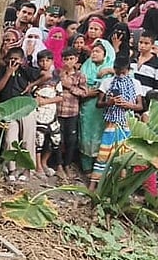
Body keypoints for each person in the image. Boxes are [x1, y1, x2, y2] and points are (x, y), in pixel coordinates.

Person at [0, 46, 47, 182]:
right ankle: (11, 169)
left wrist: (32, 85)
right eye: (11, 59)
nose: (13, 62)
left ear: (22, 60)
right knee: (10, 139)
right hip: (9, 109)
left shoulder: (25, 70)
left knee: (27, 139)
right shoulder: (3, 70)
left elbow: (47, 75)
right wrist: (8, 72)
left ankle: (27, 170)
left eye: (16, 60)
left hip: (25, 107)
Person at [91, 54, 141, 190]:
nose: (120, 75)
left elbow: (140, 106)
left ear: (129, 70)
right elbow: (98, 104)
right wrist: (110, 102)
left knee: (123, 155)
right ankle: (94, 184)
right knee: (104, 153)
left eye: (123, 72)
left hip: (126, 123)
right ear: (114, 69)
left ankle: (118, 186)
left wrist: (127, 105)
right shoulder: (107, 82)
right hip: (110, 124)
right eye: (118, 72)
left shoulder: (135, 83)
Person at [79, 39, 116, 173]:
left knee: (102, 135)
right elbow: (80, 84)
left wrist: (110, 71)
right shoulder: (86, 66)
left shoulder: (112, 67)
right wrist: (88, 92)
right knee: (86, 134)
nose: (94, 54)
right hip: (88, 107)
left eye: (98, 51)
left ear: (106, 54)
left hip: (104, 109)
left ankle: (100, 169)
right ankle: (86, 168)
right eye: (93, 51)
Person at [56, 49, 88, 178]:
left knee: (71, 139)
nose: (68, 62)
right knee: (57, 138)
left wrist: (70, 87)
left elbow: (84, 93)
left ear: (76, 60)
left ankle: (67, 164)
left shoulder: (80, 76)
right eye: (66, 59)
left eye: (71, 59)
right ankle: (58, 165)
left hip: (72, 111)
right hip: (58, 110)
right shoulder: (57, 73)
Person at [33, 50, 62, 178]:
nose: (44, 63)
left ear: (52, 61)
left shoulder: (56, 78)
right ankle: (38, 165)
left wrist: (46, 101)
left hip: (52, 113)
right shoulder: (35, 76)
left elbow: (60, 97)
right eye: (42, 61)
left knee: (55, 140)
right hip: (38, 114)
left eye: (47, 60)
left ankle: (44, 162)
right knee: (38, 140)